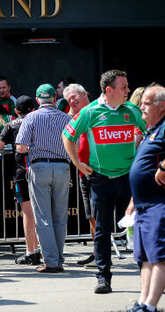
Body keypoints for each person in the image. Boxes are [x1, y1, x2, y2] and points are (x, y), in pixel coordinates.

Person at [62, 69, 147, 294]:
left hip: (129, 179)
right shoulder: (90, 112)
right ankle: (103, 278)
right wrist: (78, 164)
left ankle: (147, 277)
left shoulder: (132, 110)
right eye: (123, 87)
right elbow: (67, 136)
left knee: (139, 226)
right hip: (101, 179)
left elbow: (152, 132)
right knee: (102, 230)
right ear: (108, 90)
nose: (128, 90)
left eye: (128, 86)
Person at [126, 84, 165, 312]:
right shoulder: (153, 129)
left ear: (162, 105)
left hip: (162, 204)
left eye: (146, 103)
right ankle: (142, 304)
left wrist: (164, 166)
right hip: (145, 205)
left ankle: (150, 306)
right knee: (146, 259)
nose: (141, 106)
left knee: (159, 258)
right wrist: (134, 200)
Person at [16, 84, 72, 273]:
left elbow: (21, 147)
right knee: (60, 216)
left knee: (43, 217)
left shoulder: (31, 117)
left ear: (38, 99)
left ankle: (52, 261)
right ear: (55, 98)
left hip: (40, 167)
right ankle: (58, 259)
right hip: (63, 166)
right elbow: (75, 142)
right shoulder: (67, 118)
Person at [0, 95, 40, 265]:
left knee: (28, 213)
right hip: (41, 169)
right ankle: (46, 251)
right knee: (43, 212)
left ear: (15, 111)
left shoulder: (12, 124)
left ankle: (31, 251)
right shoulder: (39, 122)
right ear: (33, 109)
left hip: (22, 172)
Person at [62, 83, 96, 267]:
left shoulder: (95, 111)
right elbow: (69, 138)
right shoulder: (77, 116)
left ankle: (100, 253)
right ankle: (97, 252)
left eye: (74, 97)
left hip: (98, 170)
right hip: (85, 172)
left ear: (84, 94)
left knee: (98, 214)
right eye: (68, 100)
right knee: (91, 215)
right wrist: (77, 163)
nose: (72, 101)